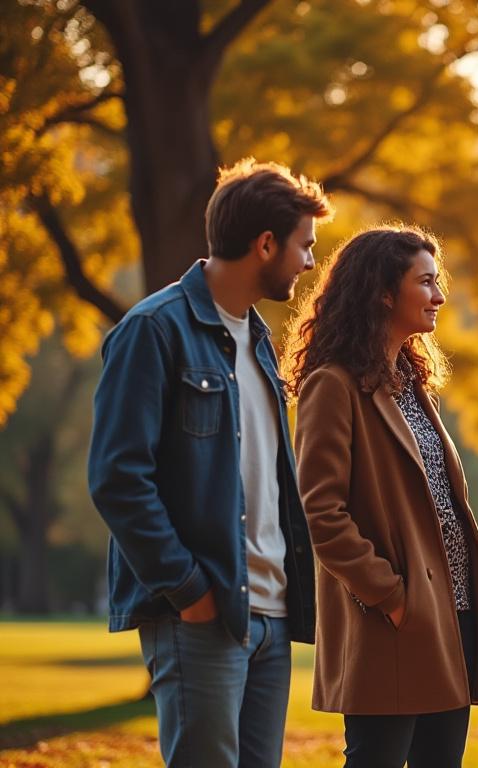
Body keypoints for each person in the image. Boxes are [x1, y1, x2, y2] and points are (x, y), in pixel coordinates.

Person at [88, 159, 330, 766]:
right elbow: (118, 479)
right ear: (265, 243)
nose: (309, 262)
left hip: (270, 615)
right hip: (201, 613)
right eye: (304, 246)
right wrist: (187, 589)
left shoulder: (259, 340)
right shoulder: (153, 330)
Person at [286, 226, 478, 768]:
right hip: (392, 620)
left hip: (450, 614)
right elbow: (320, 512)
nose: (439, 296)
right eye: (426, 282)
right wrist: (389, 596)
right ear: (385, 292)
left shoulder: (411, 384)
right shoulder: (333, 385)